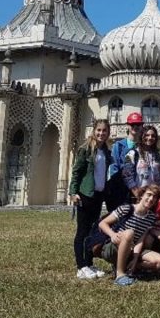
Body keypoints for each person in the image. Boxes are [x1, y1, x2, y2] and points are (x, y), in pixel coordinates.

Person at [95, 184, 160, 286]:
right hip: (113, 246)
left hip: (132, 249)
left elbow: (140, 240)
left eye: (154, 197)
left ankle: (131, 267)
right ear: (141, 195)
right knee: (129, 233)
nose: (151, 199)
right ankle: (120, 274)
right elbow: (102, 223)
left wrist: (135, 258)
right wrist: (112, 234)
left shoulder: (150, 218)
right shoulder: (126, 209)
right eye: (149, 195)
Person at [68, 119, 113, 279]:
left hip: (97, 195)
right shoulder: (85, 149)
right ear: (94, 131)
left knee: (92, 231)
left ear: (108, 133)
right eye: (99, 130)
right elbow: (76, 172)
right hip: (85, 194)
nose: (101, 133)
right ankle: (81, 266)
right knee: (82, 231)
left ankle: (89, 263)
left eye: (104, 131)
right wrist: (73, 192)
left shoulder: (106, 152)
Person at [108, 112, 144, 209]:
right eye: (132, 124)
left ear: (142, 126)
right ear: (127, 126)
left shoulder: (144, 146)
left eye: (138, 125)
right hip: (121, 188)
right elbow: (114, 168)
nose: (135, 127)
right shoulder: (118, 146)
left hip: (139, 187)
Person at [122, 125, 160, 200]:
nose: (150, 138)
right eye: (146, 135)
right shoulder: (133, 153)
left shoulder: (158, 155)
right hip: (138, 196)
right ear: (141, 136)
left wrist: (159, 188)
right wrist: (136, 192)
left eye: (153, 136)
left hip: (153, 196)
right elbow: (127, 174)